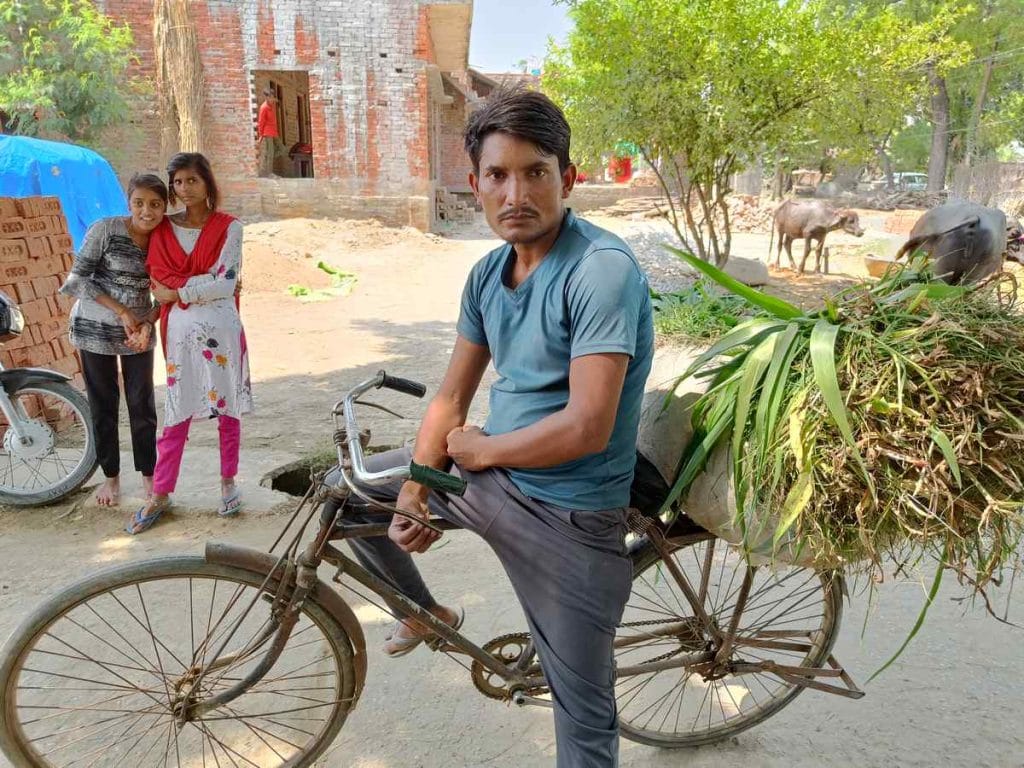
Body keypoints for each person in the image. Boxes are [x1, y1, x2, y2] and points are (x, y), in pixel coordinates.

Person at [326, 87, 654, 767]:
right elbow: (450, 396)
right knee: (348, 489)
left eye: (535, 172)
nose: (516, 193)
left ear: (568, 178)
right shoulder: (487, 274)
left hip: (571, 513)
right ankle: (424, 613)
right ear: (474, 184)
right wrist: (417, 488)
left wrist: (476, 451)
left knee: (584, 725)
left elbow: (589, 426)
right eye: (498, 176)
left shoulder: (600, 272)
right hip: (496, 478)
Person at [126, 152, 252, 534]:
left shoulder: (230, 227)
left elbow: (226, 281)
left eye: (191, 180)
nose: (184, 189)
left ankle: (228, 481)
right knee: (177, 410)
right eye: (177, 182)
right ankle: (161, 492)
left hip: (222, 329)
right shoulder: (161, 229)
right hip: (179, 333)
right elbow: (157, 278)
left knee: (226, 406)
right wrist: (199, 285)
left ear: (207, 182)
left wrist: (178, 291)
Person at [59, 174, 165, 507]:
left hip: (138, 334)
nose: (146, 212)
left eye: (155, 204)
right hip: (94, 329)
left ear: (165, 206)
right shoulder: (106, 230)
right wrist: (122, 312)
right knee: (104, 404)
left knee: (142, 405)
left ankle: (149, 477)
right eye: (139, 203)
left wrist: (148, 322)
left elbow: (167, 290)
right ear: (128, 202)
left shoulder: (166, 239)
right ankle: (111, 478)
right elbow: (77, 280)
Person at [257, 88, 288, 177]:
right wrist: (260, 135)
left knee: (282, 149)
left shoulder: (273, 104)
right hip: (267, 133)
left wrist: (277, 100)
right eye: (270, 97)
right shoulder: (264, 108)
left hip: (274, 132)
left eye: (273, 97)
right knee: (270, 152)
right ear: (266, 98)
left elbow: (277, 101)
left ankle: (266, 161)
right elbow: (261, 122)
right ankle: (269, 173)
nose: (272, 99)